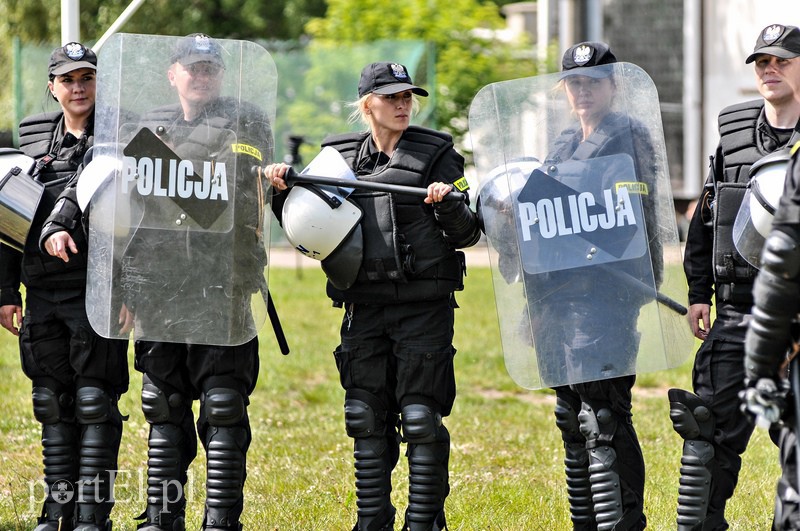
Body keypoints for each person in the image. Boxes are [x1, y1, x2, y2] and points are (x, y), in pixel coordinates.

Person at [43, 34, 273, 530]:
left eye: (210, 67)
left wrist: (170, 169)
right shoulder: (145, 126)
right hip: (160, 288)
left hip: (220, 287)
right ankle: (163, 519)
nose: (202, 75)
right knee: (163, 408)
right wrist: (68, 228)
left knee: (223, 406)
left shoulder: (244, 121)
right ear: (174, 74)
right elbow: (110, 191)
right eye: (192, 67)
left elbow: (228, 191)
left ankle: (220, 521)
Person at [265, 61, 480, 531]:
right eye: (392, 97)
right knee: (364, 417)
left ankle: (424, 520)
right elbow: (307, 227)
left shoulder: (440, 153)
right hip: (363, 308)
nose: (403, 105)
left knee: (421, 418)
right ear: (368, 105)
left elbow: (469, 233)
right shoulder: (335, 159)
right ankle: (372, 519)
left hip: (424, 306)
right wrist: (282, 191)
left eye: (408, 97)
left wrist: (450, 203)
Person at [512, 42, 659, 530]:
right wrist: (532, 303)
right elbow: (543, 228)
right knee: (570, 417)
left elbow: (633, 220)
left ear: (612, 86)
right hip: (557, 298)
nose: (582, 91)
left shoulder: (629, 137)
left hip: (607, 295)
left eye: (593, 82)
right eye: (574, 83)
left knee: (603, 416)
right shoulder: (562, 142)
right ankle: (585, 522)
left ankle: (622, 523)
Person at [671, 23, 800, 530]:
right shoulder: (733, 132)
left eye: (782, 61)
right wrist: (698, 291)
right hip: (739, 306)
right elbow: (709, 215)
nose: (769, 69)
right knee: (707, 436)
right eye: (762, 62)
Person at [0, 42, 130, 531]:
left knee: (95, 401)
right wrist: (6, 292)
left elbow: (141, 226)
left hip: (98, 290)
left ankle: (92, 516)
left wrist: (129, 292)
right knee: (50, 401)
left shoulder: (120, 135)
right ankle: (57, 511)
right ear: (52, 87)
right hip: (40, 292)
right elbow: (7, 218)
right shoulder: (31, 140)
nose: (78, 88)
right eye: (68, 79)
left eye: (87, 78)